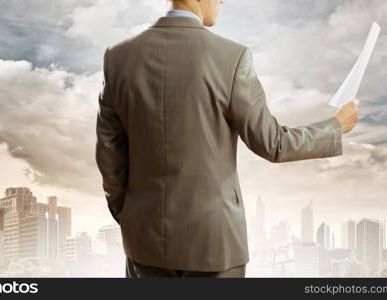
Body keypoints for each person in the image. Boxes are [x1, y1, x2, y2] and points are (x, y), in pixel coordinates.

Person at [96, 0, 359, 278]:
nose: (223, 1)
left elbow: (110, 155)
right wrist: (335, 126)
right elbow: (273, 143)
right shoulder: (232, 58)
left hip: (144, 242)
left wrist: (130, 216)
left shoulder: (117, 58)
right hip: (214, 243)